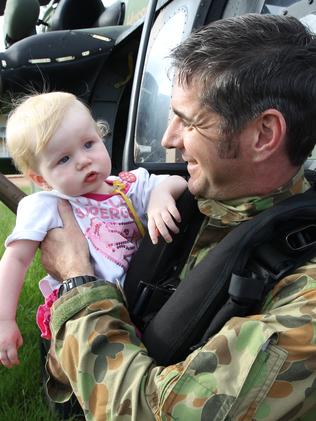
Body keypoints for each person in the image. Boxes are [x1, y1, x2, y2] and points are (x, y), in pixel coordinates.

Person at [15, 13, 316, 420]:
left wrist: (77, 284)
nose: (168, 139)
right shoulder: (197, 202)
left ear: (263, 135)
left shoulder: (305, 306)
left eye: (188, 122)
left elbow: (153, 412)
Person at [0, 91, 187, 368]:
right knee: (92, 367)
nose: (83, 160)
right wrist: (4, 320)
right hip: (88, 311)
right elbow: (15, 259)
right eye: (63, 159)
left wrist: (161, 194)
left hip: (142, 298)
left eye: (89, 144)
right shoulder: (48, 205)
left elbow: (178, 181)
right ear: (41, 179)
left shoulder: (126, 187)